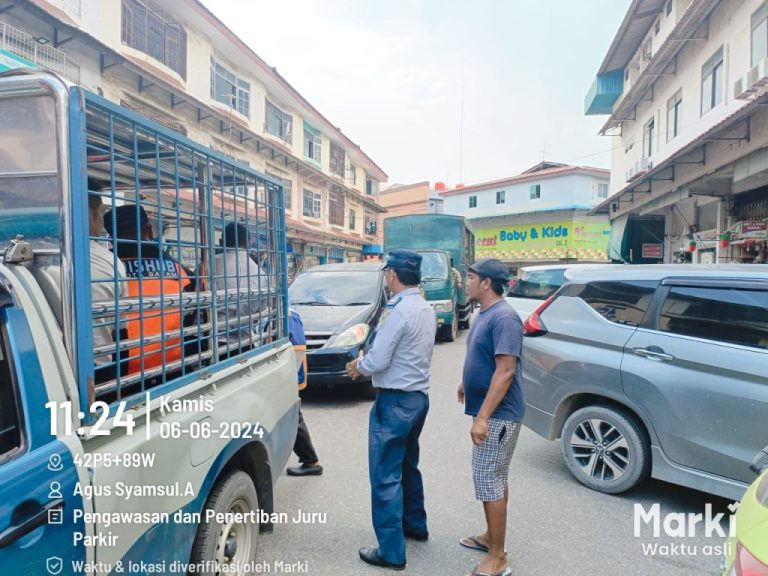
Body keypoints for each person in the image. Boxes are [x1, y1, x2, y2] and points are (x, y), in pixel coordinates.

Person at [346, 249, 437, 571]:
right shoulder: (424, 307)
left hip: (395, 400)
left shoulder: (398, 310)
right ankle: (415, 525)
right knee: (408, 465)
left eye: (387, 273)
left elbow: (379, 359)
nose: (386, 278)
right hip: (418, 398)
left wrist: (359, 366)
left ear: (393, 275)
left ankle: (391, 551)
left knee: (385, 474)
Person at [457, 258, 524, 576]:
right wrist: (465, 382)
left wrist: (482, 416)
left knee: (488, 481)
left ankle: (498, 557)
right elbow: (481, 356)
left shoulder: (505, 317)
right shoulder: (485, 314)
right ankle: (490, 537)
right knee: (495, 477)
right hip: (490, 410)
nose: (466, 282)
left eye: (471, 277)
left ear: (486, 283)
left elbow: (506, 370)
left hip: (499, 414)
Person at [104, 204, 190, 378]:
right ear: (149, 231)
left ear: (111, 238)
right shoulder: (179, 270)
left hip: (124, 377)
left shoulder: (105, 270)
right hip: (173, 368)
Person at [88, 180, 128, 387]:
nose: (102, 225)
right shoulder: (108, 261)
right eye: (100, 214)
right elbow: (120, 330)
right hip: (99, 368)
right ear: (88, 215)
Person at [215, 222, 267, 353]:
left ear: (221, 242)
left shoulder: (207, 265)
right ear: (249, 243)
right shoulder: (260, 273)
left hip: (210, 344)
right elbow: (261, 310)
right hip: (243, 343)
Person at [286, 307, 323, 477]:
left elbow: (299, 348)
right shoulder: (277, 311)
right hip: (285, 376)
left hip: (290, 376)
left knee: (293, 417)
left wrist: (287, 378)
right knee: (292, 417)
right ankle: (310, 459)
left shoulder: (289, 315)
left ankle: (311, 461)